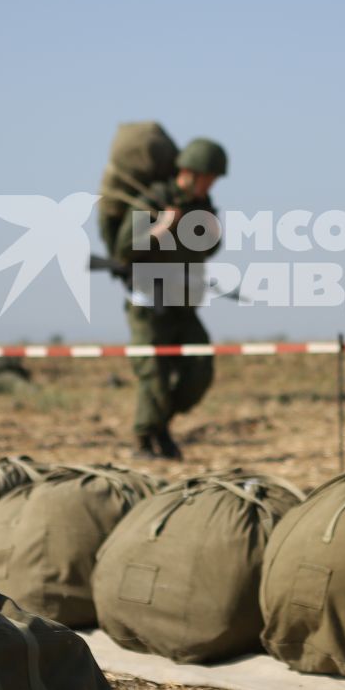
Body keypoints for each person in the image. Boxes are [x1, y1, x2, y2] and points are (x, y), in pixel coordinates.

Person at [111, 138, 227, 459]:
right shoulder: (152, 200)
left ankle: (160, 423)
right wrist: (161, 226)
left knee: (199, 370)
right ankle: (144, 439)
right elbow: (123, 248)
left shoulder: (203, 208)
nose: (211, 185)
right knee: (154, 376)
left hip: (184, 303)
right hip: (148, 303)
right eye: (208, 178)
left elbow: (212, 247)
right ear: (189, 173)